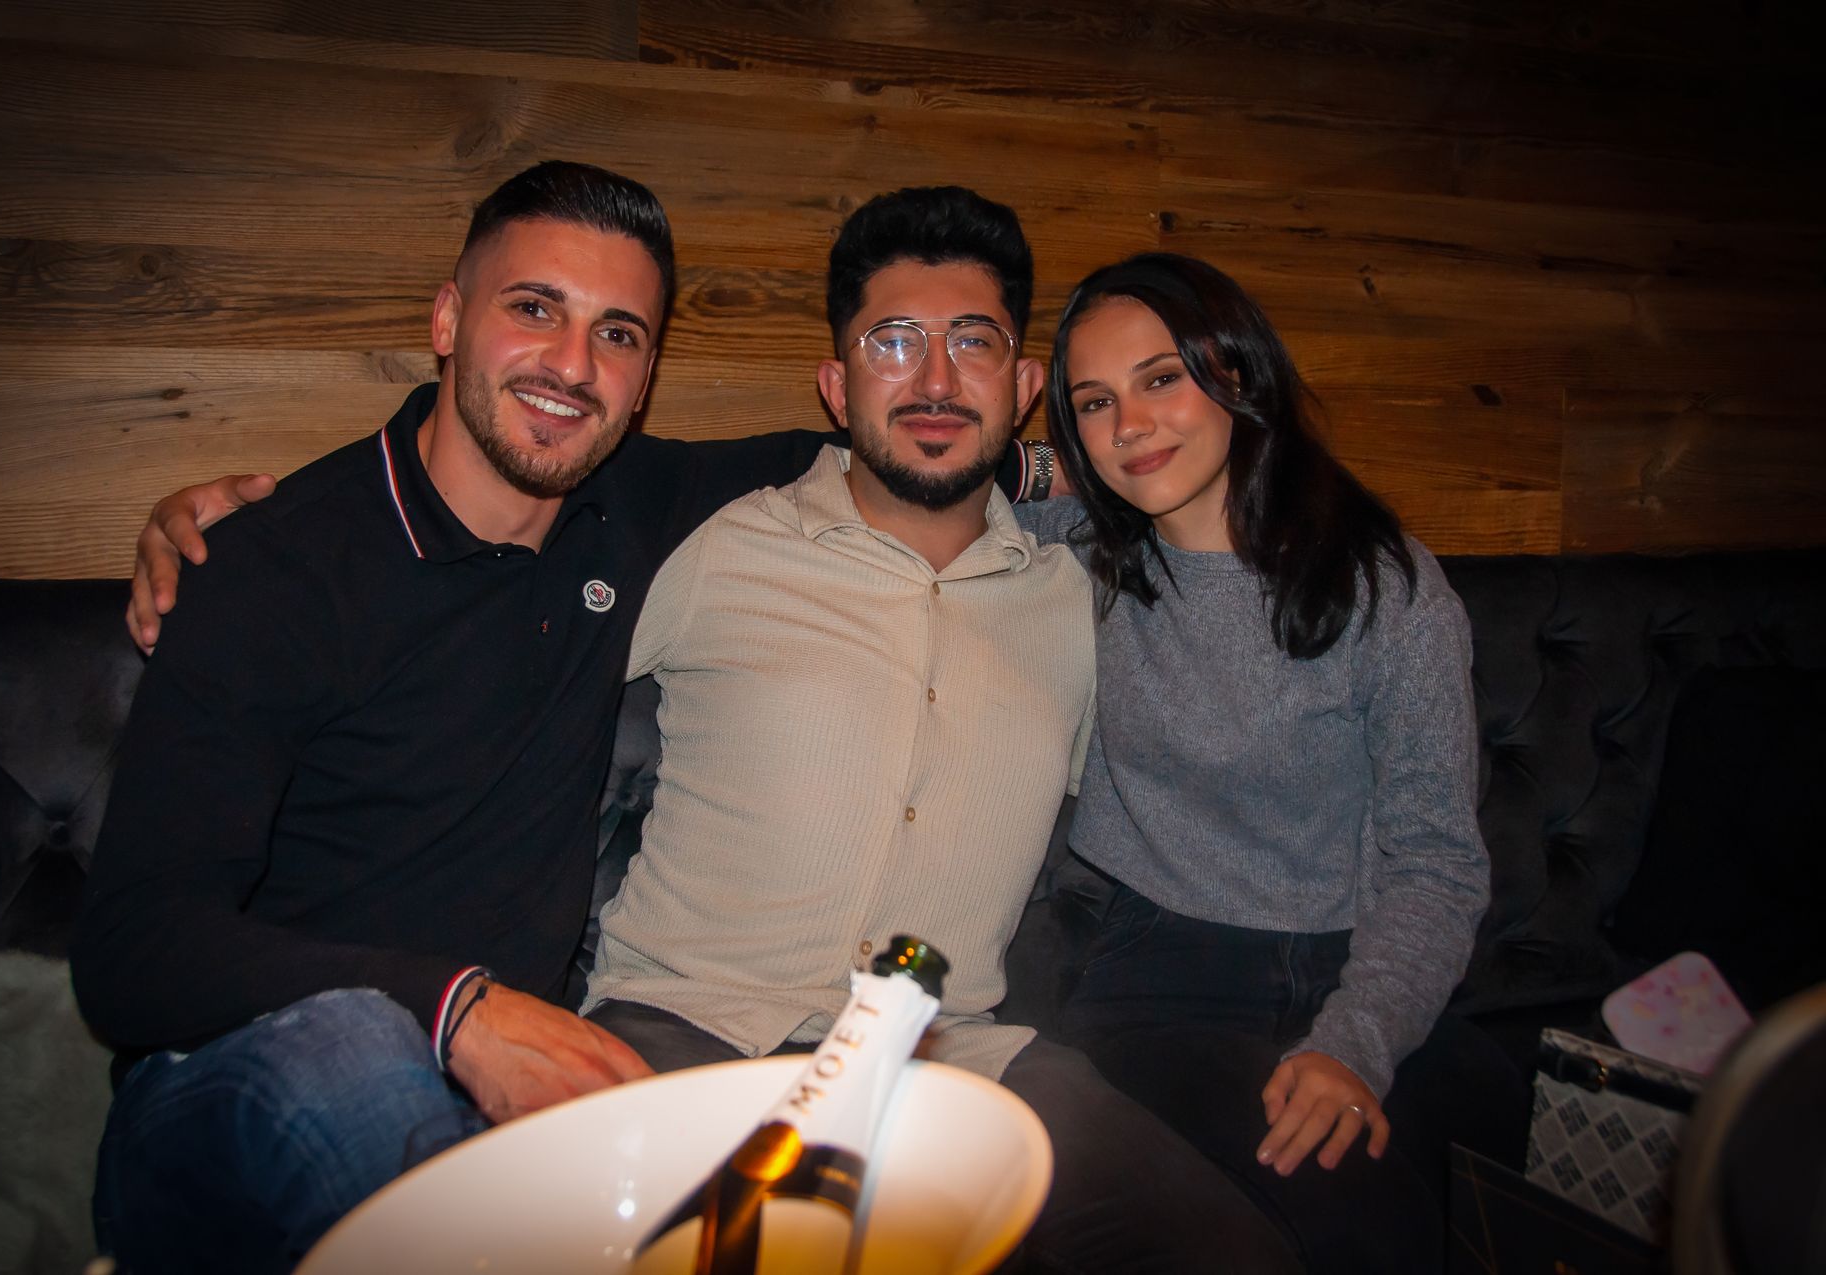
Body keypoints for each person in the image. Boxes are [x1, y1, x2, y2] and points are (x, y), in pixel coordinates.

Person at [117, 190, 1301, 1274]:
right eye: (534, 308)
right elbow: (133, 952)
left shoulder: (1048, 595)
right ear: (446, 318)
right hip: (531, 1044)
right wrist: (456, 1006)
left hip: (931, 1051)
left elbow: (967, 447)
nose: (571, 363)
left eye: (617, 334)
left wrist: (1133, 453)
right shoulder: (300, 561)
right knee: (366, 1074)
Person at [580, 187, 1299, 1272]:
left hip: (956, 1059)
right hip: (690, 1032)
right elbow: (514, 649)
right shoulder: (721, 546)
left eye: (972, 343)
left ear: (1022, 388)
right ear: (836, 387)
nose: (932, 380)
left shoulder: (1079, 603)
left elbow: (1221, 768)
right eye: (892, 342)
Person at [1016, 251, 1516, 1273]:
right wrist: (1049, 465)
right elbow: (930, 463)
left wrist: (1354, 1040)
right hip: (1160, 971)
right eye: (1096, 403)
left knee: (1486, 1149)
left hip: (1351, 956)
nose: (1132, 425)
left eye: (1162, 379)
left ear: (1236, 372)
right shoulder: (1084, 551)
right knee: (1359, 1221)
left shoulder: (1385, 587)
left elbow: (1435, 859)